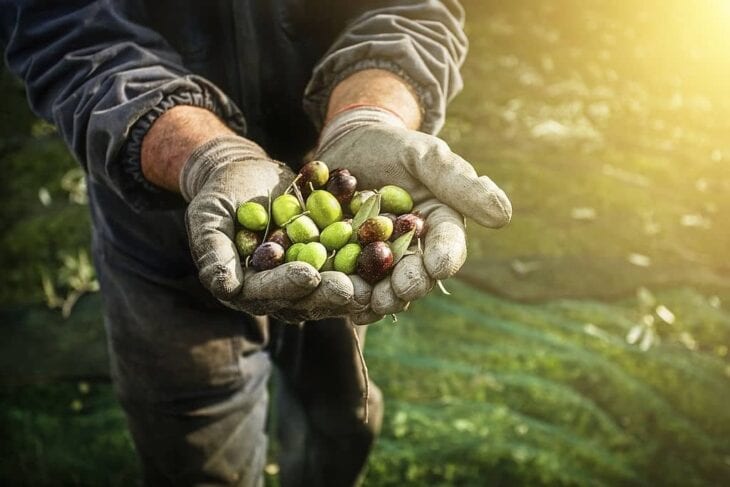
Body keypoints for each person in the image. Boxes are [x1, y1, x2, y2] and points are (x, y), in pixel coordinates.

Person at [1, 0, 511, 485]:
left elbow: (410, 11)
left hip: (340, 183)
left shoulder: (346, 228)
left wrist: (368, 115)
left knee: (341, 417)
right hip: (158, 223)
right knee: (197, 458)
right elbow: (70, 34)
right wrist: (209, 156)